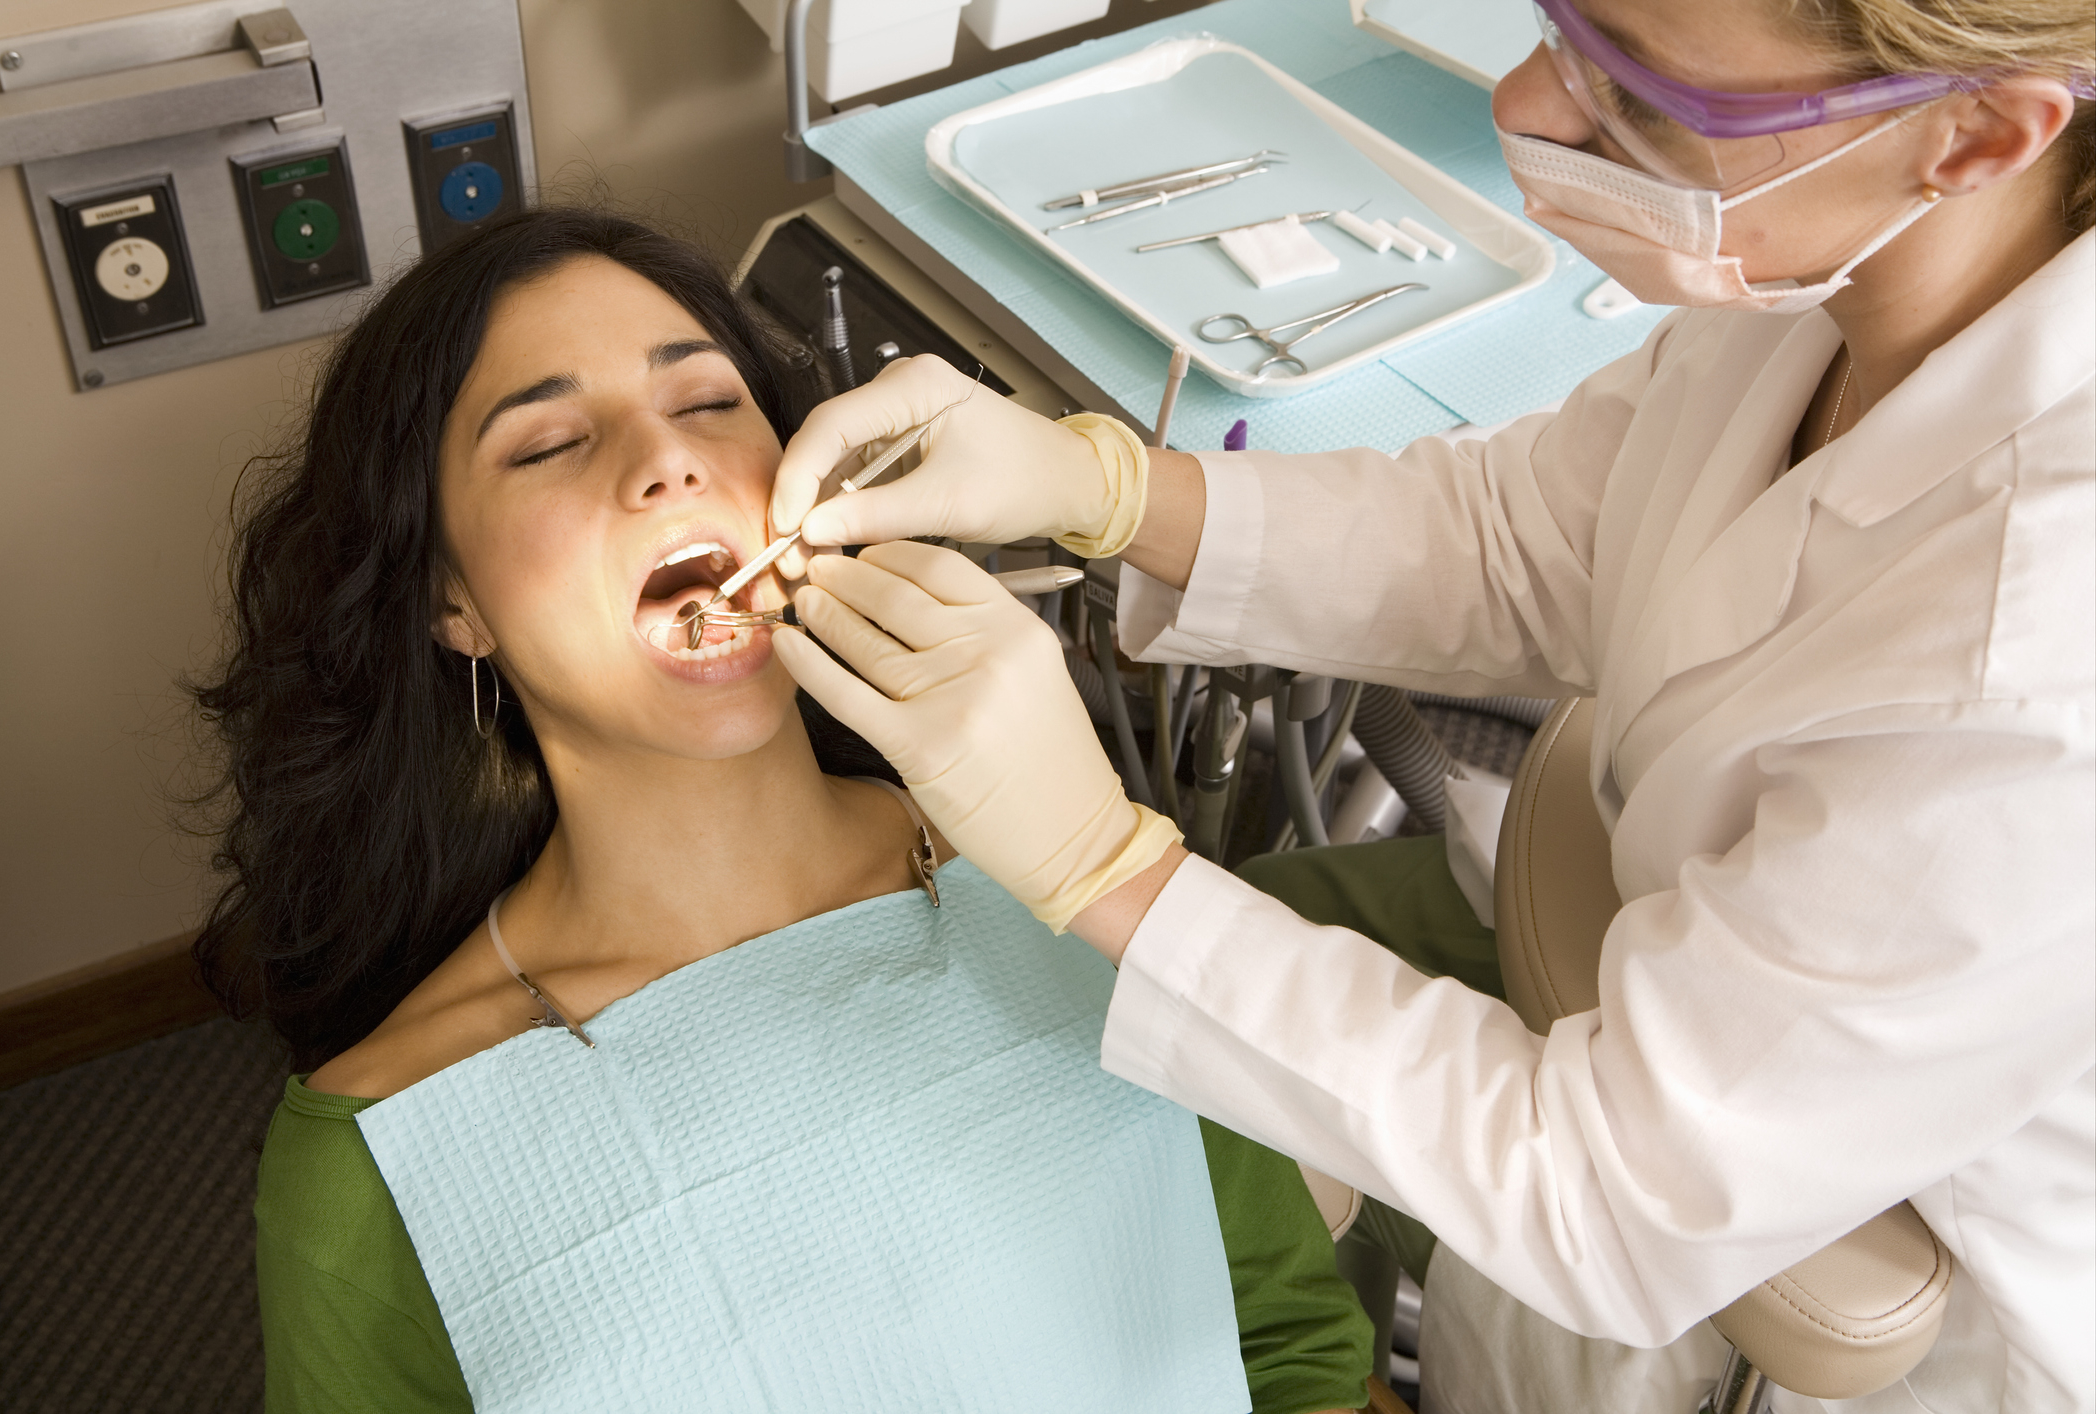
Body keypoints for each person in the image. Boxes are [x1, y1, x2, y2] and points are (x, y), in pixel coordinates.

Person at [763, 2, 2095, 1410]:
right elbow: (1539, 533)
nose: (1527, 108)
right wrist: (1111, 490)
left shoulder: (2033, 654)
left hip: (1844, 1277)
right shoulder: (1845, 274)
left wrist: (1107, 868)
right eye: (1564, 28)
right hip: (1639, 935)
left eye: (1645, 99)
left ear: (1976, 136)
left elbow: (1608, 1195)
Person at [187, 208, 1382, 1413]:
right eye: (548, 443)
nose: (666, 458)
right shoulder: (377, 1164)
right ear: (453, 601)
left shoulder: (1083, 878)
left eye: (709, 401)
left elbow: (1293, 1345)